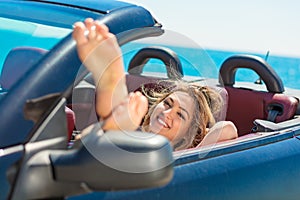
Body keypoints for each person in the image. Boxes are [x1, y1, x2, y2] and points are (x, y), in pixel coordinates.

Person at [72, 18, 238, 151]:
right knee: (99, 145)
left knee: (109, 145)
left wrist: (196, 144)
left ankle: (113, 111)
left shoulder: (182, 154)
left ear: (189, 135)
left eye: (180, 115)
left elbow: (227, 128)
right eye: (167, 103)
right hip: (112, 155)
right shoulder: (137, 133)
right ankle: (113, 109)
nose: (167, 113)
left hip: (156, 171)